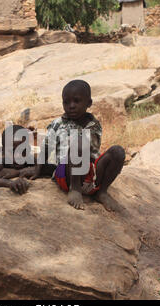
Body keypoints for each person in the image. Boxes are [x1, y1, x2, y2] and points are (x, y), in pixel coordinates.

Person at [31, 80, 126, 211]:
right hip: (67, 174)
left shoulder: (94, 124)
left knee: (118, 151)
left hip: (90, 174)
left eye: (76, 101)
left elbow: (92, 152)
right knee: (80, 142)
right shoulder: (58, 124)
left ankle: (102, 192)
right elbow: (46, 146)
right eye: (66, 102)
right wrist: (37, 169)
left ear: (89, 103)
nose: (71, 106)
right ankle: (75, 190)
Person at [0, 125, 44, 194]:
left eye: (23, 151)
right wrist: (10, 183)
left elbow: (49, 168)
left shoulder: (30, 159)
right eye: (12, 151)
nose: (18, 156)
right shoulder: (0, 163)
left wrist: (18, 172)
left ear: (29, 149)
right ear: (2, 151)